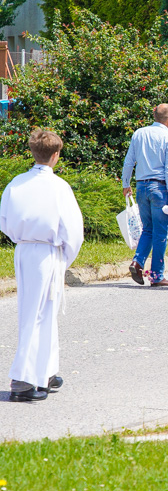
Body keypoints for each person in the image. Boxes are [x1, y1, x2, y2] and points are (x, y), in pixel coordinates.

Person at [1, 129, 84, 402]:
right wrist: (64, 259)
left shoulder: (16, 183)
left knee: (40, 311)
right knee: (36, 314)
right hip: (48, 251)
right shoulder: (59, 187)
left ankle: (45, 371)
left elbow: (5, 221)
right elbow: (73, 231)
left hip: (23, 249)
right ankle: (22, 380)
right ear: (56, 155)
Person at [123, 104, 168, 287]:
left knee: (148, 229)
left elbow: (129, 160)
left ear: (154, 115)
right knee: (161, 233)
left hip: (141, 187)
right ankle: (156, 275)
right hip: (160, 188)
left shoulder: (139, 133)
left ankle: (137, 262)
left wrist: (125, 183)